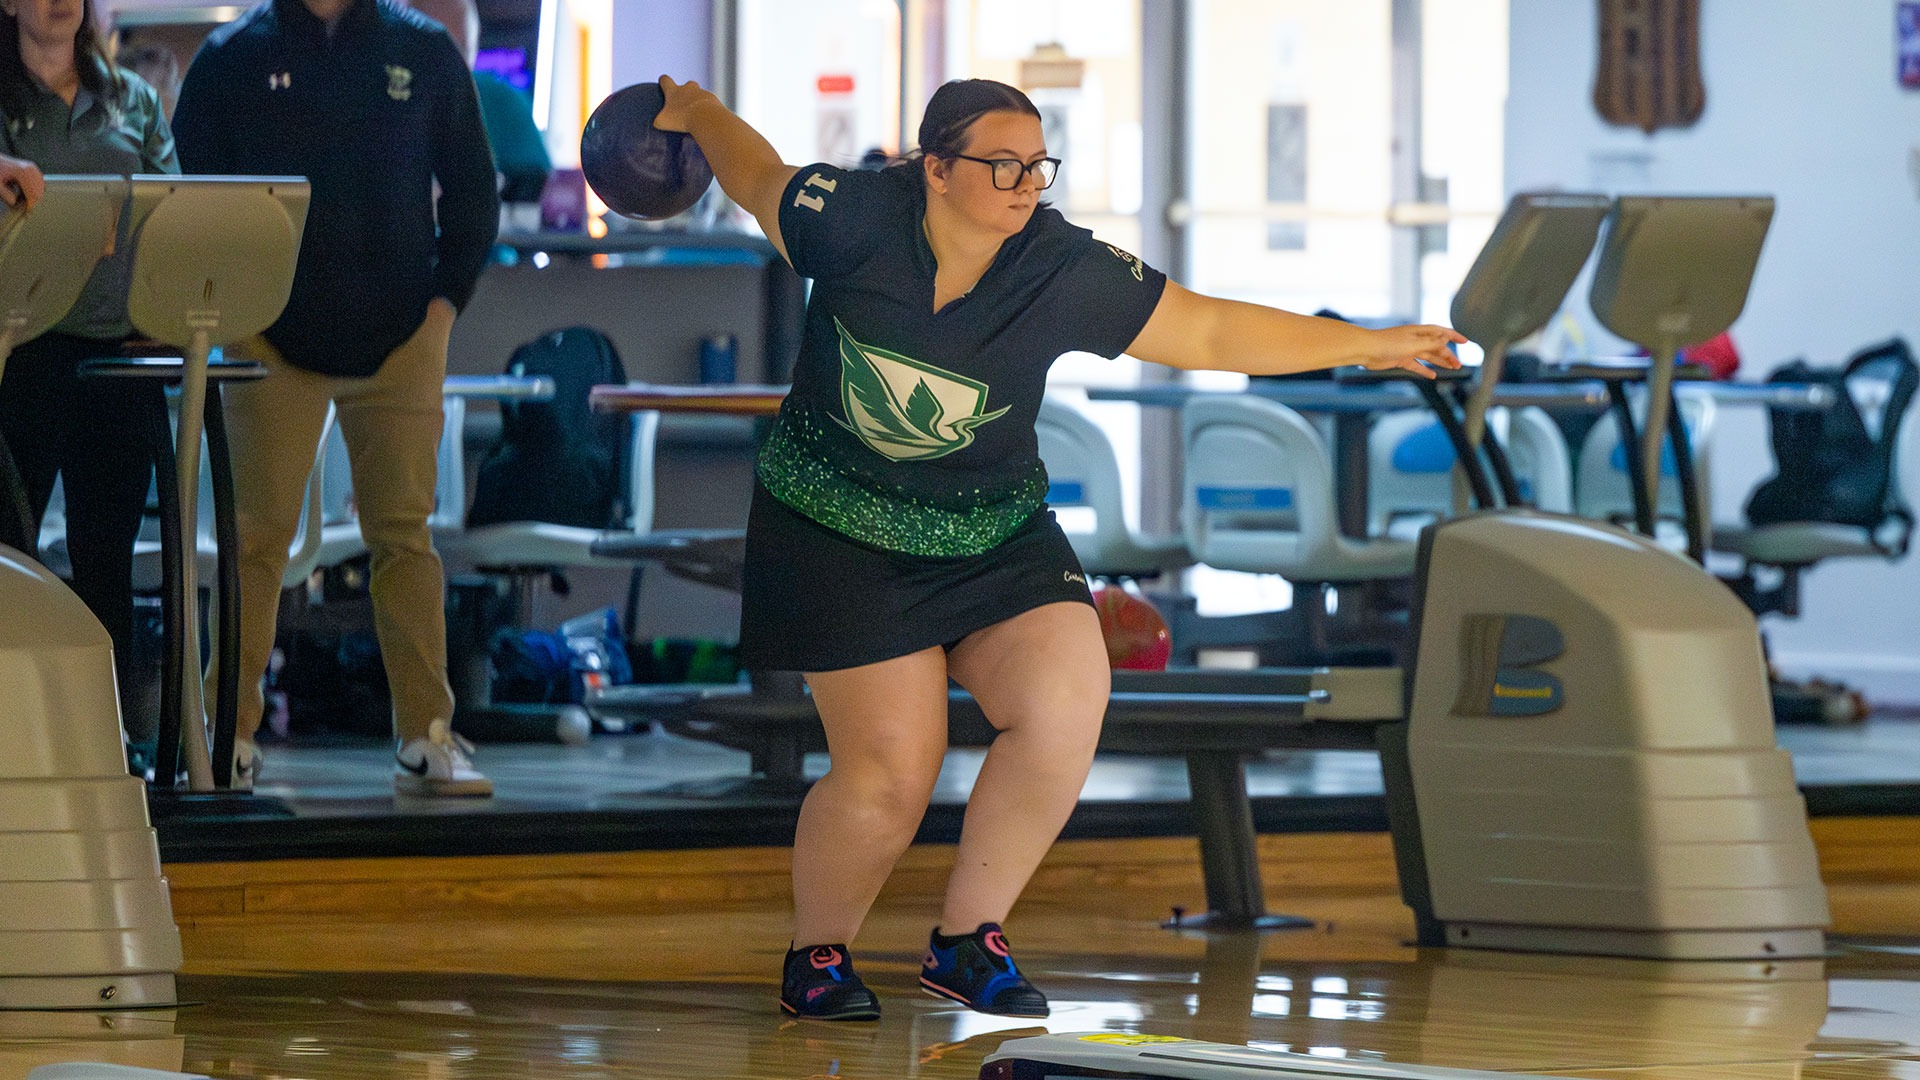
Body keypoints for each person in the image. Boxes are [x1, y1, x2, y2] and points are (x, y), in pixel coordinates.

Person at [650, 75, 1464, 1021]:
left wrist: (1360, 344)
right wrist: (700, 113)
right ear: (936, 170)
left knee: (1068, 698)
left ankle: (967, 940)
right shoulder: (853, 216)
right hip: (838, 527)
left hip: (994, 529)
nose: (1025, 182)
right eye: (1001, 164)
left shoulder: (1061, 266)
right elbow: (758, 176)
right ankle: (818, 953)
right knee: (892, 772)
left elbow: (1202, 327)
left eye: (1038, 164)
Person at [170, 0, 500, 796]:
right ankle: (226, 739)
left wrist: (444, 306)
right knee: (254, 545)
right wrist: (234, 315)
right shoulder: (230, 56)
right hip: (269, 338)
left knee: (404, 537)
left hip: (403, 335)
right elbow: (192, 200)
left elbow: (472, 194)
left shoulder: (423, 51)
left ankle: (427, 736)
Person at [0, 0, 176, 752]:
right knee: (11, 552)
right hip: (20, 348)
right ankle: (20, 730)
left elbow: (173, 206)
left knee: (108, 557)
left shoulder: (130, 97)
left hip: (117, 350)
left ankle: (109, 739)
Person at [408, 0, 551, 205]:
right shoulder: (380, 98)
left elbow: (543, 188)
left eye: (460, 50)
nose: (451, 67)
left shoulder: (501, 99)